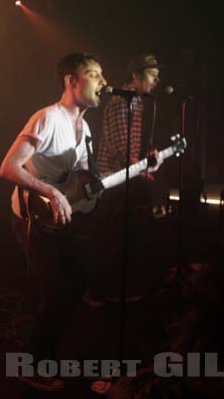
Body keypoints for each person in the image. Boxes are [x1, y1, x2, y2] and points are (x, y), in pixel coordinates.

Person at [0, 52, 107, 390]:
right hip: (34, 218)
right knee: (55, 293)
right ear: (70, 81)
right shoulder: (47, 118)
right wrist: (52, 193)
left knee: (74, 286)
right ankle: (29, 364)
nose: (103, 82)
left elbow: (78, 180)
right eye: (93, 74)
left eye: (103, 75)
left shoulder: (85, 127)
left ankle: (45, 352)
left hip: (61, 221)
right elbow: (8, 167)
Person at [87, 54, 166, 305]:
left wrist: (150, 157)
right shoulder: (123, 101)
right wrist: (142, 171)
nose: (157, 80)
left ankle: (117, 288)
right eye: (152, 75)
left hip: (124, 179)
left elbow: (132, 148)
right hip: (112, 180)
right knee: (110, 238)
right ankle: (100, 291)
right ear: (136, 76)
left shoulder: (140, 104)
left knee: (121, 237)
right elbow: (123, 151)